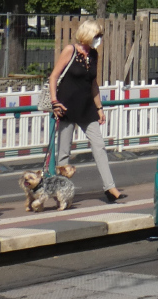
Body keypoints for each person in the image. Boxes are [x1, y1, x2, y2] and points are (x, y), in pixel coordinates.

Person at [48, 19, 125, 203]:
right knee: (64, 152)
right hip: (67, 106)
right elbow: (54, 76)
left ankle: (110, 187)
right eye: (97, 35)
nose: (99, 39)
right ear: (88, 34)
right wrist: (54, 101)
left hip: (87, 106)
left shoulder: (94, 54)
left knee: (99, 146)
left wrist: (99, 108)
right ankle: (62, 192)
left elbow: (93, 84)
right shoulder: (70, 50)